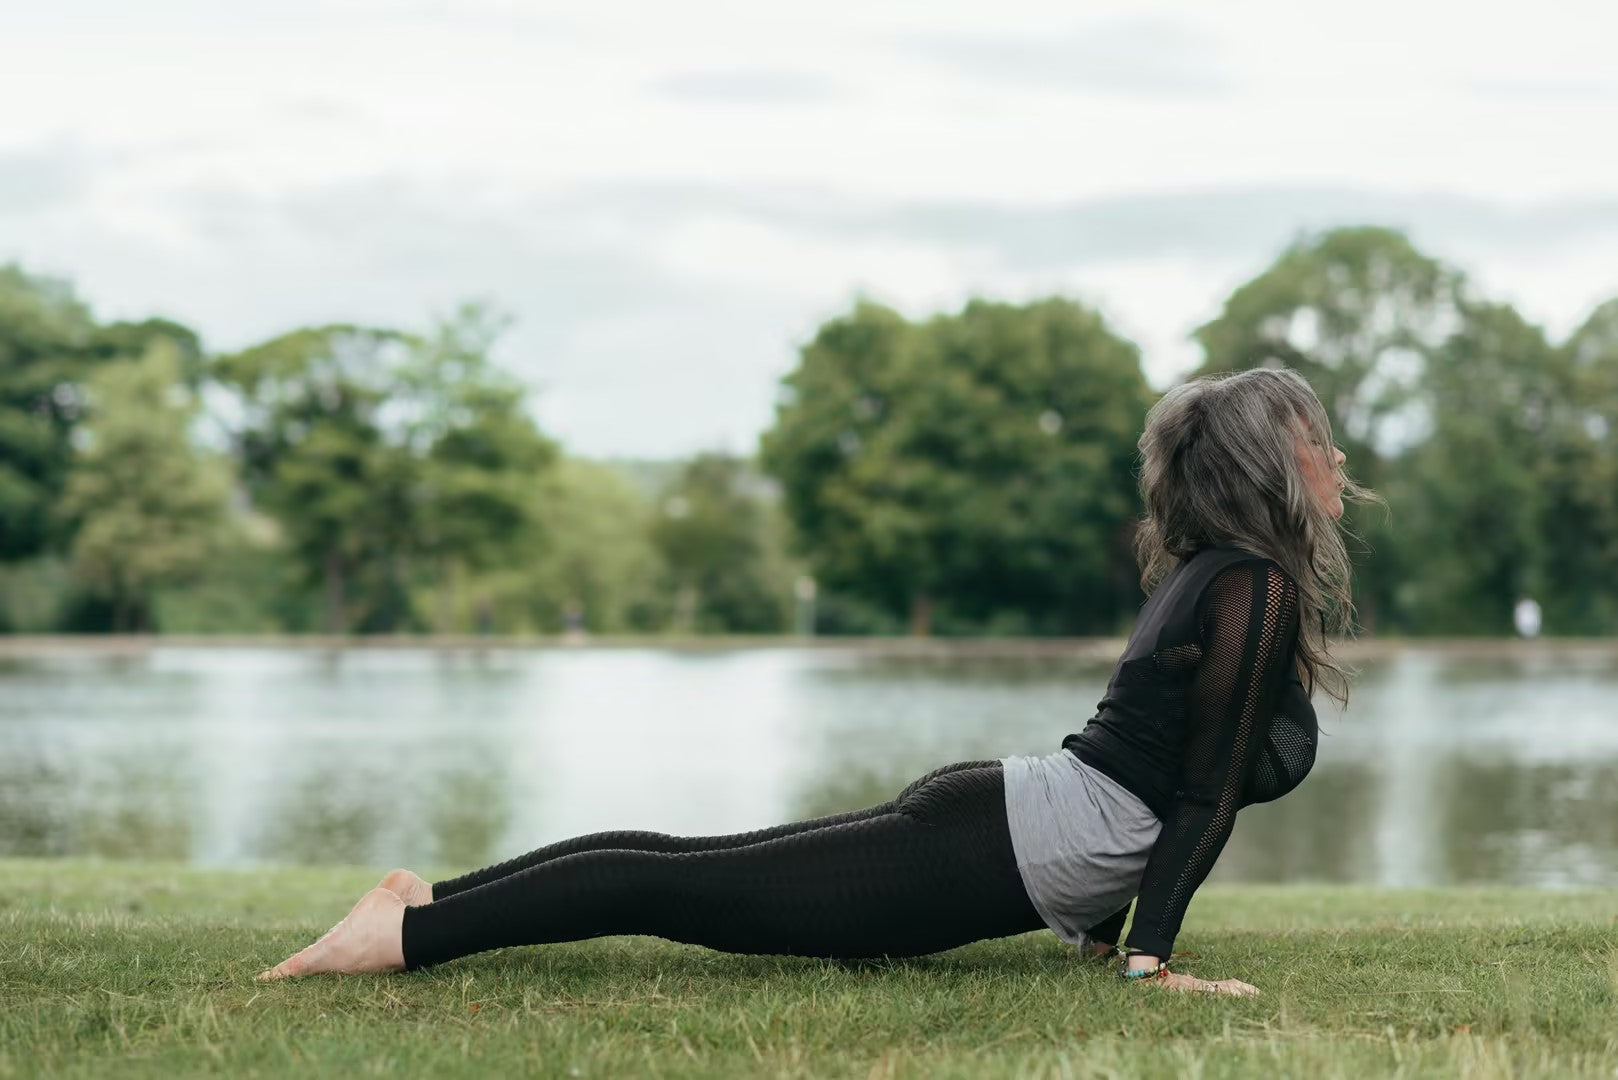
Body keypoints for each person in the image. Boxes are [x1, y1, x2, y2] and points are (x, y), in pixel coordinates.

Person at [259, 366, 1372, 996]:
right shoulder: (1250, 588)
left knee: (680, 869)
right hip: (997, 838)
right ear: (1273, 465)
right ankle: (407, 935)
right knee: (678, 886)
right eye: (1315, 441)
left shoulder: (1214, 578)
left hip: (1005, 823)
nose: (1334, 460)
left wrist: (1094, 922)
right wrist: (1148, 959)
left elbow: (1152, 767)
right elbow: (1200, 793)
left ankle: (426, 905)